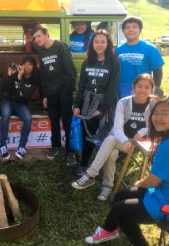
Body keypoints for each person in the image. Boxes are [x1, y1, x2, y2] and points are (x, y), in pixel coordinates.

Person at [84, 96, 169, 246]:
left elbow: (153, 181)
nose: (158, 118)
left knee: (120, 209)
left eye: (165, 114)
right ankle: (108, 230)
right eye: (156, 113)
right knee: (122, 194)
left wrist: (138, 184)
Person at [72, 74, 157, 201]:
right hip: (119, 138)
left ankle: (90, 175)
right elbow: (117, 128)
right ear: (133, 87)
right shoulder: (123, 102)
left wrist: (141, 131)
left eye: (147, 87)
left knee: (110, 143)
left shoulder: (154, 104)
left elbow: (155, 124)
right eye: (139, 86)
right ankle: (107, 187)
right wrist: (125, 140)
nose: (142, 90)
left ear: (152, 89)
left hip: (138, 142)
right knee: (111, 149)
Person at [73, 29, 120, 175]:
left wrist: (103, 108)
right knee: (88, 134)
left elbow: (113, 87)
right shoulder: (87, 62)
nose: (99, 44)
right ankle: (84, 163)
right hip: (87, 101)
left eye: (102, 42)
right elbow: (81, 85)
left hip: (104, 103)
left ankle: (103, 164)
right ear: (92, 44)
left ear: (108, 44)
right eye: (96, 41)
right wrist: (76, 105)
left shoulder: (113, 63)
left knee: (102, 135)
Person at [31, 23, 77, 165]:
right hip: (51, 93)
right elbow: (44, 75)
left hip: (63, 91)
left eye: (39, 36)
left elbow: (71, 70)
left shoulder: (60, 46)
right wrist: (44, 95)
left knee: (67, 122)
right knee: (54, 121)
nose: (36, 39)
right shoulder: (41, 51)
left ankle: (70, 152)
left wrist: (67, 89)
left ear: (46, 34)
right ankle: (55, 147)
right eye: (34, 37)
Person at [0, 56, 39, 160]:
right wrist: (9, 74)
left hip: (21, 103)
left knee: (28, 118)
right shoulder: (15, 73)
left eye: (30, 64)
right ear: (21, 65)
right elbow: (2, 89)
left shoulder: (34, 79)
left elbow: (26, 95)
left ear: (34, 67)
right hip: (8, 101)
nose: (27, 66)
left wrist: (20, 78)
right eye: (25, 63)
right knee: (5, 115)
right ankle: (3, 146)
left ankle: (21, 147)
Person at [116, 16, 164, 99]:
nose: (131, 30)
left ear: (140, 30)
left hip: (143, 88)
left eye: (134, 27)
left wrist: (154, 89)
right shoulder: (118, 50)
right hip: (122, 89)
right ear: (123, 31)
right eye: (127, 27)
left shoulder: (150, 48)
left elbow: (158, 71)